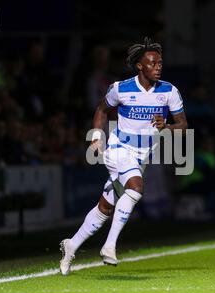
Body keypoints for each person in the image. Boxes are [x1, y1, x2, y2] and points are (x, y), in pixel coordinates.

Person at [59, 37, 188, 276]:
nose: (158, 66)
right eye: (152, 62)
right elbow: (101, 109)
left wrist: (166, 127)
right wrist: (97, 136)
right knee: (136, 188)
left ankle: (71, 245)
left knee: (106, 206)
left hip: (141, 156)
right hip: (118, 149)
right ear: (140, 65)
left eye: (160, 62)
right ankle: (109, 246)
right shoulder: (120, 88)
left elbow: (182, 125)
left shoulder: (170, 91)